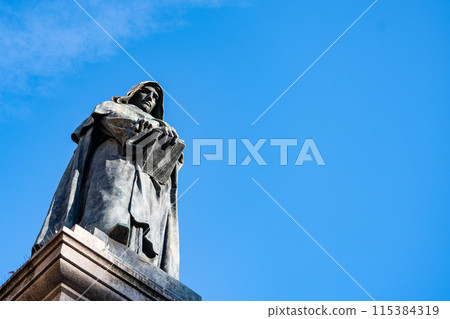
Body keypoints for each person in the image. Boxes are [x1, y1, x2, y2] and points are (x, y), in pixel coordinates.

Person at [32, 81, 183, 279]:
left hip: (145, 183)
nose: (150, 99)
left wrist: (169, 140)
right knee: (108, 217)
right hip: (114, 164)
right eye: (146, 92)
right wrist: (137, 126)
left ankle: (134, 254)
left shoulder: (164, 127)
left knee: (137, 228)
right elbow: (103, 122)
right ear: (134, 93)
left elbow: (169, 163)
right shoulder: (113, 107)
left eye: (155, 97)